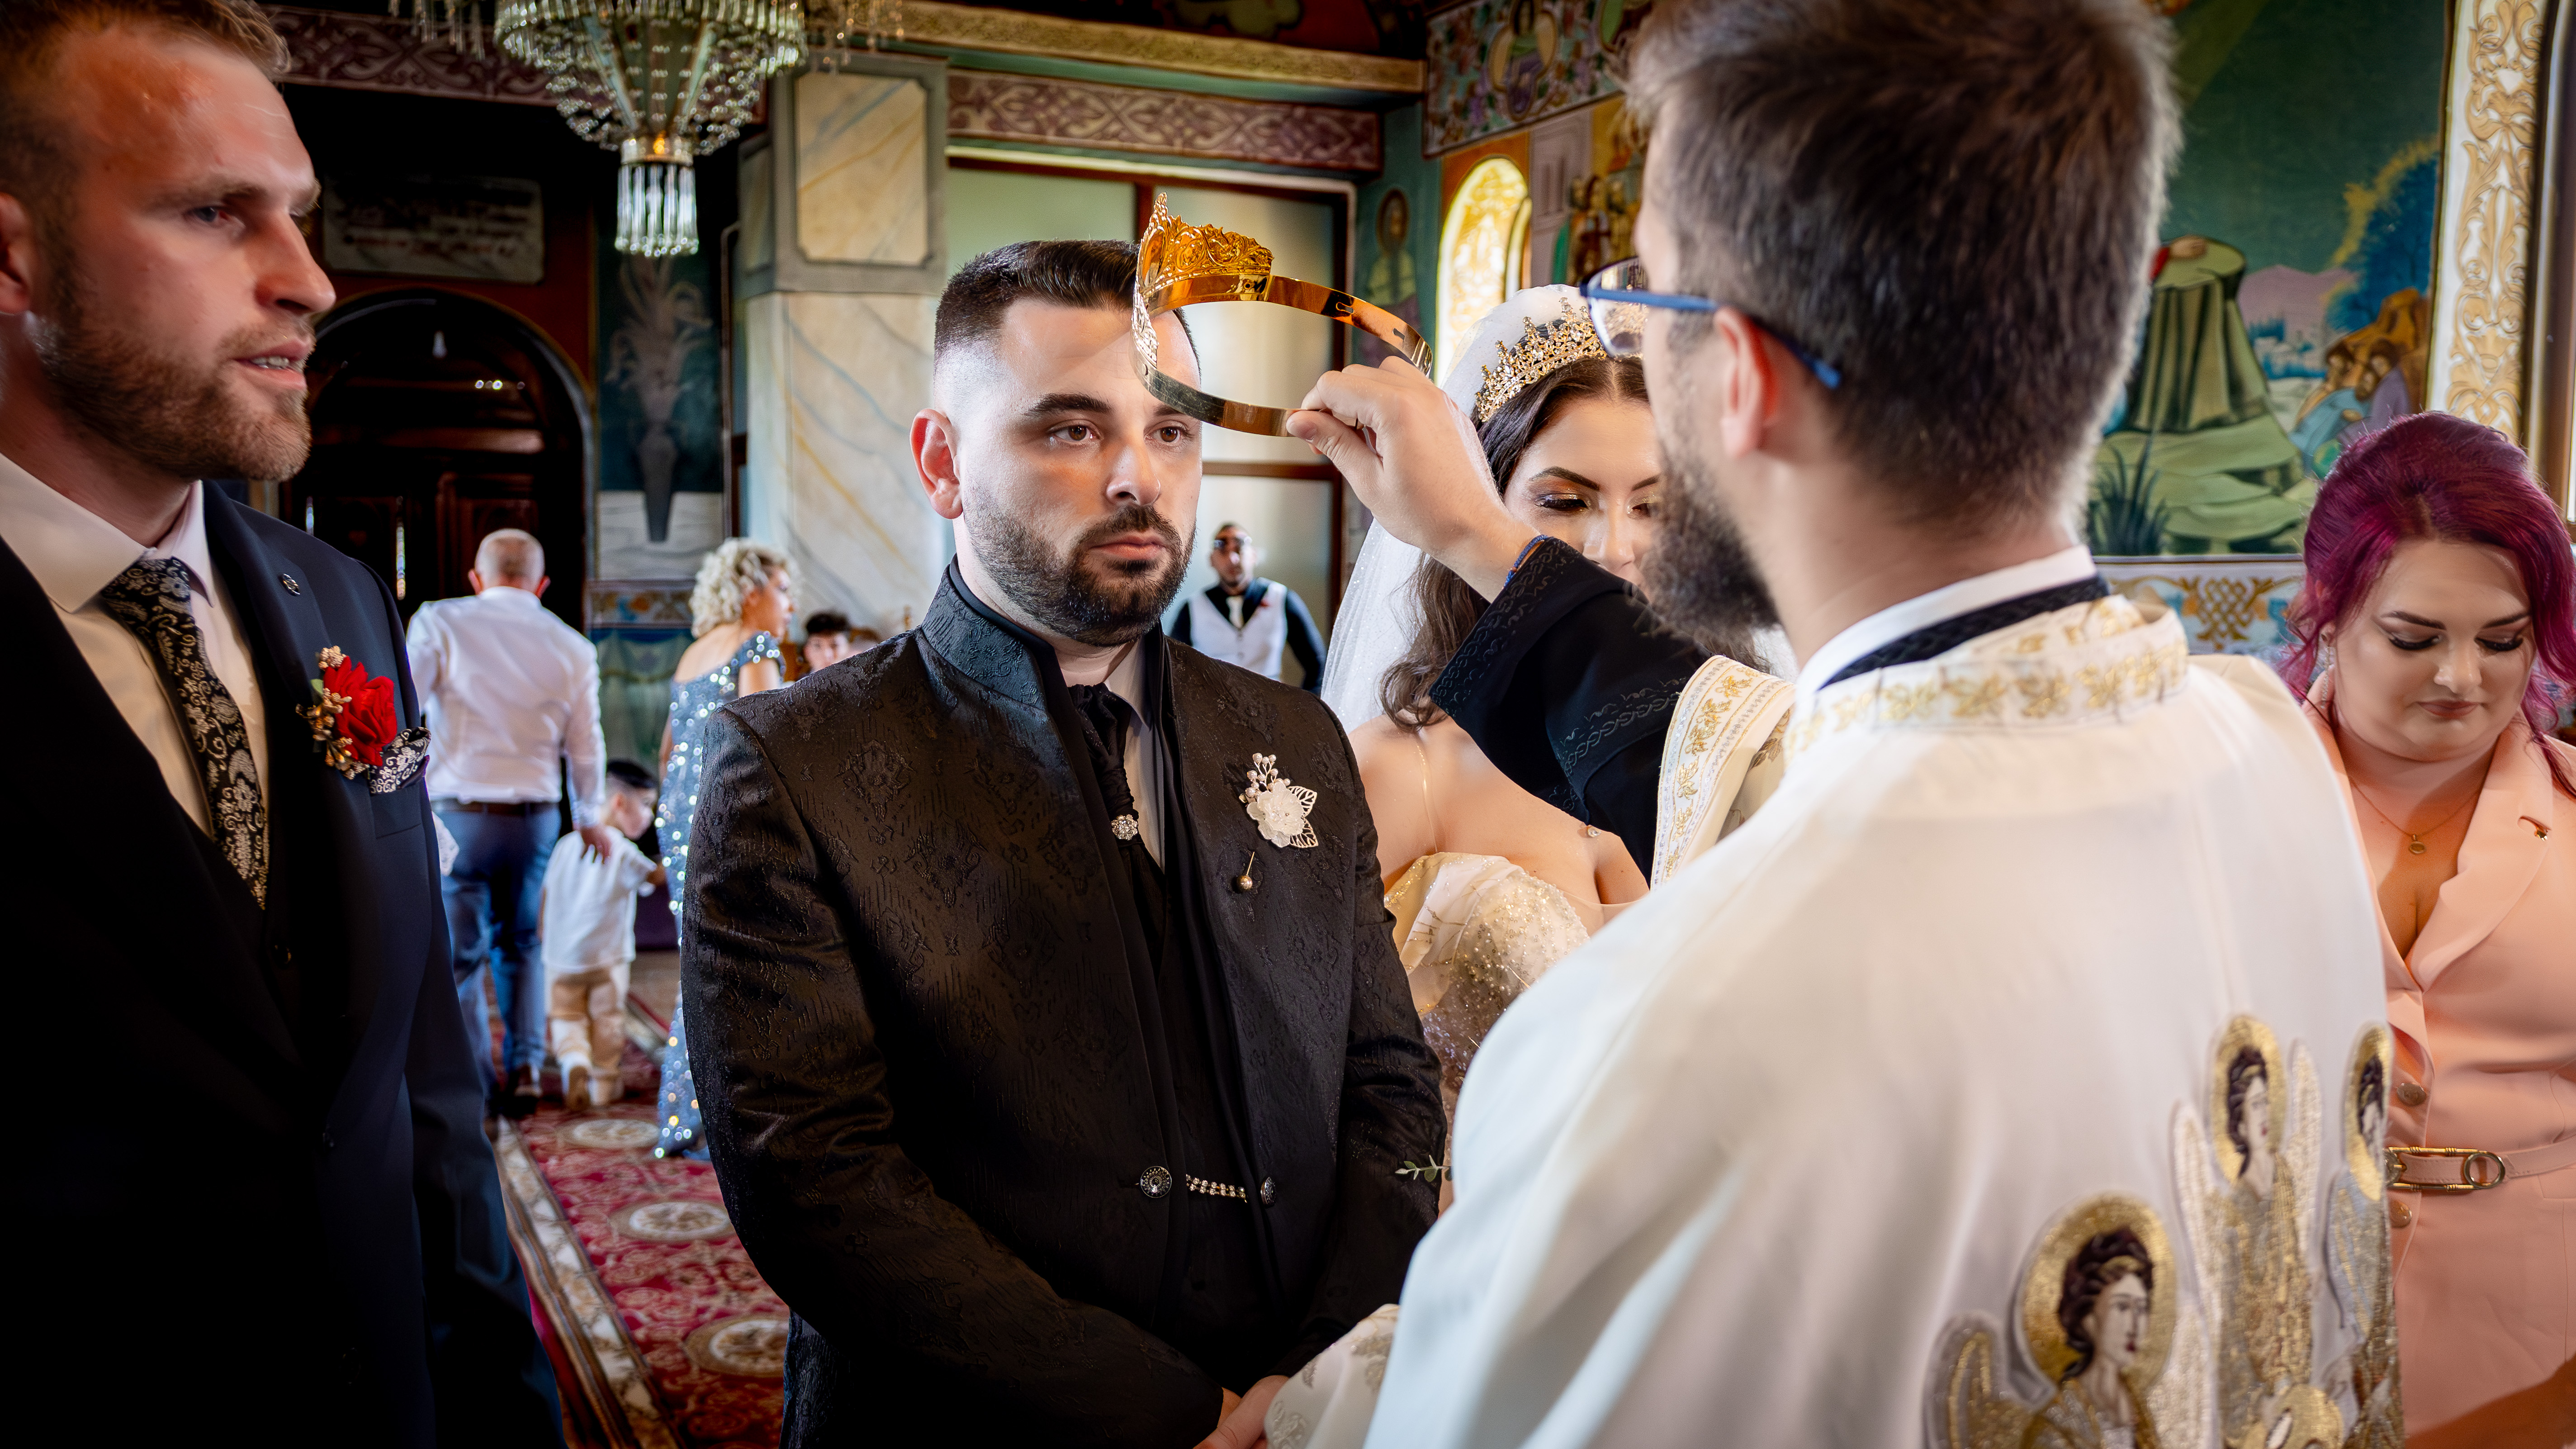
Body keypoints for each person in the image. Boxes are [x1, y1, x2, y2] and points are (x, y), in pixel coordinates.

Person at [1265, 1, 2393, 1444]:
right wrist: (1485, 542)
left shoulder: (1664, 1033)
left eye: (1649, 301)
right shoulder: (2272, 756)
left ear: (1738, 376)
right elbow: (1760, 760)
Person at [680, 240, 1444, 1447]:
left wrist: (1315, 1374)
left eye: (1173, 431)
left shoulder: (1294, 733)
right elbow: (815, 1178)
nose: (1139, 477)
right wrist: (1173, 1413)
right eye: (1071, 430)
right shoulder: (795, 761)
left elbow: (1388, 1080)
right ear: (943, 462)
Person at [0, 2, 559, 1440]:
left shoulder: (338, 598)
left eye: (299, 217)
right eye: (213, 213)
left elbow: (421, 1073)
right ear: (12, 255)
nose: (308, 280)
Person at [1321, 285, 1777, 1116]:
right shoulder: (1398, 771)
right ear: (1471, 500)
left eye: (1655, 506)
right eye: (1565, 502)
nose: (1614, 548)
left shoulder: (1746, 747)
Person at [2273, 412, 2576, 1448]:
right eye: (2413, 638)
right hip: (2272, 1328)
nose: (2460, 677)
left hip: (2539, 1345)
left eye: (2501, 639)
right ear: (2325, 615)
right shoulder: (2216, 808)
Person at [407, 526, 613, 1108]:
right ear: (541, 584)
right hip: (534, 819)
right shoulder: (572, 645)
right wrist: (589, 816)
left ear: (477, 577)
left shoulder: (439, 621)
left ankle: (473, 1081)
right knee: (523, 943)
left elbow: (403, 705)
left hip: (458, 815)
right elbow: (586, 747)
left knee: (461, 956)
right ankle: (524, 1068)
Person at [650, 537, 790, 1158]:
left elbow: (667, 750)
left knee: (698, 958)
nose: (789, 604)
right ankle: (725, 1115)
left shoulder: (693, 652)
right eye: (782, 589)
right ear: (751, 590)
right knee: (738, 959)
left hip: (679, 814)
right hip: (725, 814)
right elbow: (762, 739)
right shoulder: (753, 645)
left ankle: (685, 1111)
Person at [540, 758, 663, 1110]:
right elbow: (654, 877)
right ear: (619, 802)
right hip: (607, 958)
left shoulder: (566, 844)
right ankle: (604, 1084)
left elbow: (545, 893)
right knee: (607, 1018)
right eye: (647, 805)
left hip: (561, 956)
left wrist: (543, 931)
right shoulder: (621, 848)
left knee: (566, 1015)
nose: (651, 817)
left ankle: (573, 1060)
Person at [1168, 520, 1328, 689]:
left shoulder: (1282, 599)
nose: (1233, 559)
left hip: (1270, 703)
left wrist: (1303, 705)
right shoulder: (1192, 608)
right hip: (1211, 703)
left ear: (1254, 556)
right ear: (1212, 560)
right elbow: (1171, 668)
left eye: (1240, 548)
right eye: (1222, 549)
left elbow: (1317, 664)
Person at [797, 608, 876, 674]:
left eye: (835, 646)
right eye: (817, 646)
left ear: (848, 648)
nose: (827, 655)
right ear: (807, 651)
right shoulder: (795, 687)